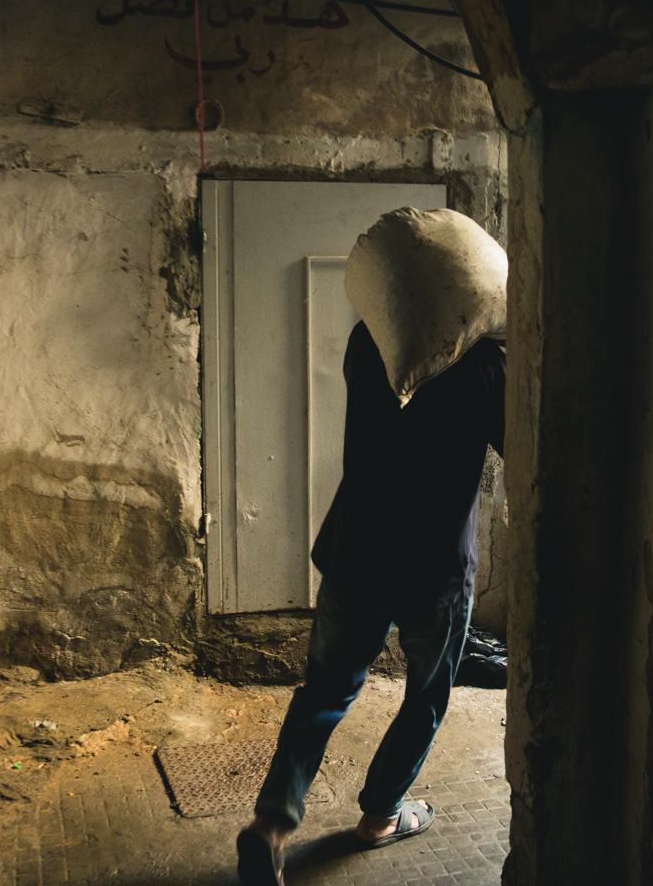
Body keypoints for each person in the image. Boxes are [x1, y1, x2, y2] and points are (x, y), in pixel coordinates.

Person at [236, 320, 505, 886]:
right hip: (436, 573)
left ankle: (271, 825)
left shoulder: (370, 336)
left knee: (325, 691)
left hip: (355, 554)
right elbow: (523, 444)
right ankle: (381, 815)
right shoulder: (484, 367)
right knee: (427, 694)